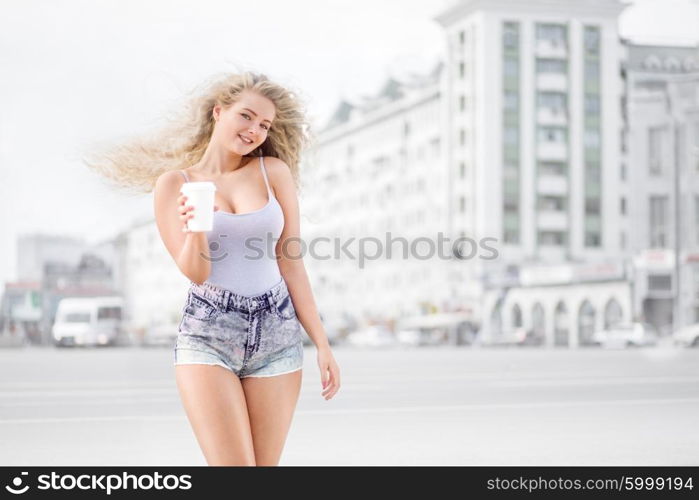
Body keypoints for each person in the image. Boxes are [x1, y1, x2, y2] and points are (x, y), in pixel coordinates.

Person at [85, 71, 340, 466]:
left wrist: (322, 343)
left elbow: (291, 261)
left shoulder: (273, 173)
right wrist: (198, 229)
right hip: (208, 333)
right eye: (246, 116)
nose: (254, 130)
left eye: (264, 125)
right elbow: (196, 273)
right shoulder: (175, 185)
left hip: (278, 333)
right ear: (219, 112)